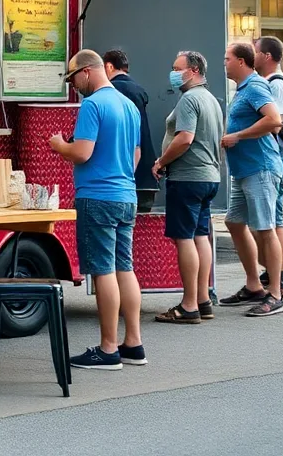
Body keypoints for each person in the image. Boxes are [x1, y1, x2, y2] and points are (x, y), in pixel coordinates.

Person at [49, 49, 144, 370]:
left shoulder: (92, 104)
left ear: (88, 71)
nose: (73, 85)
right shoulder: (128, 105)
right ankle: (133, 343)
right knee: (124, 267)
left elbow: (82, 152)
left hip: (98, 197)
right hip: (126, 195)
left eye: (73, 77)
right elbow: (136, 155)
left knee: (103, 271)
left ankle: (107, 349)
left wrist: (60, 145)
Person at [152, 51, 223, 325]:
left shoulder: (190, 99)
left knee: (185, 239)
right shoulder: (211, 100)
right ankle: (203, 299)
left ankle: (189, 304)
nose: (172, 72)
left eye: (176, 68)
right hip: (209, 176)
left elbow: (184, 139)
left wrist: (161, 161)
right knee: (200, 236)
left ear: (192, 70)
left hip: (188, 177)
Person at [217, 42, 283, 317]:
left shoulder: (255, 86)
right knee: (234, 222)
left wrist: (238, 136)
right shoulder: (243, 89)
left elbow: (274, 120)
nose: (224, 62)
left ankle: (277, 293)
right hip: (244, 170)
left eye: (228, 58)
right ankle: (253, 285)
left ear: (242, 62)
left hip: (261, 168)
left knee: (266, 229)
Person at [255, 36, 283, 304]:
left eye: (256, 51)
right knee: (278, 220)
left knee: (277, 222)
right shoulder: (278, 83)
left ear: (267, 56)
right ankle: (277, 277)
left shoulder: (277, 85)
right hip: (282, 160)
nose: (253, 54)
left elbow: (275, 123)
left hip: (279, 160)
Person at [104, 49, 160, 212]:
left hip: (121, 178)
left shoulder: (110, 91)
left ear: (108, 67)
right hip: (146, 176)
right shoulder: (138, 89)